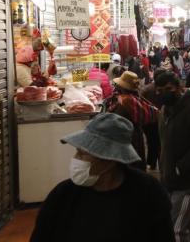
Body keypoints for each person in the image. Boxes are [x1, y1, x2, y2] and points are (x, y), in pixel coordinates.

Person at [30, 113, 174, 242]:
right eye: (77, 152)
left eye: (82, 154)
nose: (76, 159)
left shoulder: (148, 192)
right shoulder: (63, 195)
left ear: (109, 159)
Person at [156, 71, 190, 242]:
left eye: (167, 89)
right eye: (159, 91)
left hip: (188, 182)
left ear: (178, 87)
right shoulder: (165, 112)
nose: (163, 94)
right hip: (171, 180)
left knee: (175, 230)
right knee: (186, 223)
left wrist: (180, 167)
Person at [104, 71, 157, 171]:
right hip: (135, 136)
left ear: (123, 87)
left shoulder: (126, 100)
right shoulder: (134, 98)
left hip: (127, 138)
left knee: (129, 167)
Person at [140, 68, 166, 171]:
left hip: (148, 121)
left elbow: (140, 104)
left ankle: (151, 163)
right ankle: (160, 163)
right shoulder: (165, 89)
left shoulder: (146, 89)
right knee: (160, 142)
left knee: (151, 142)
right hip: (162, 119)